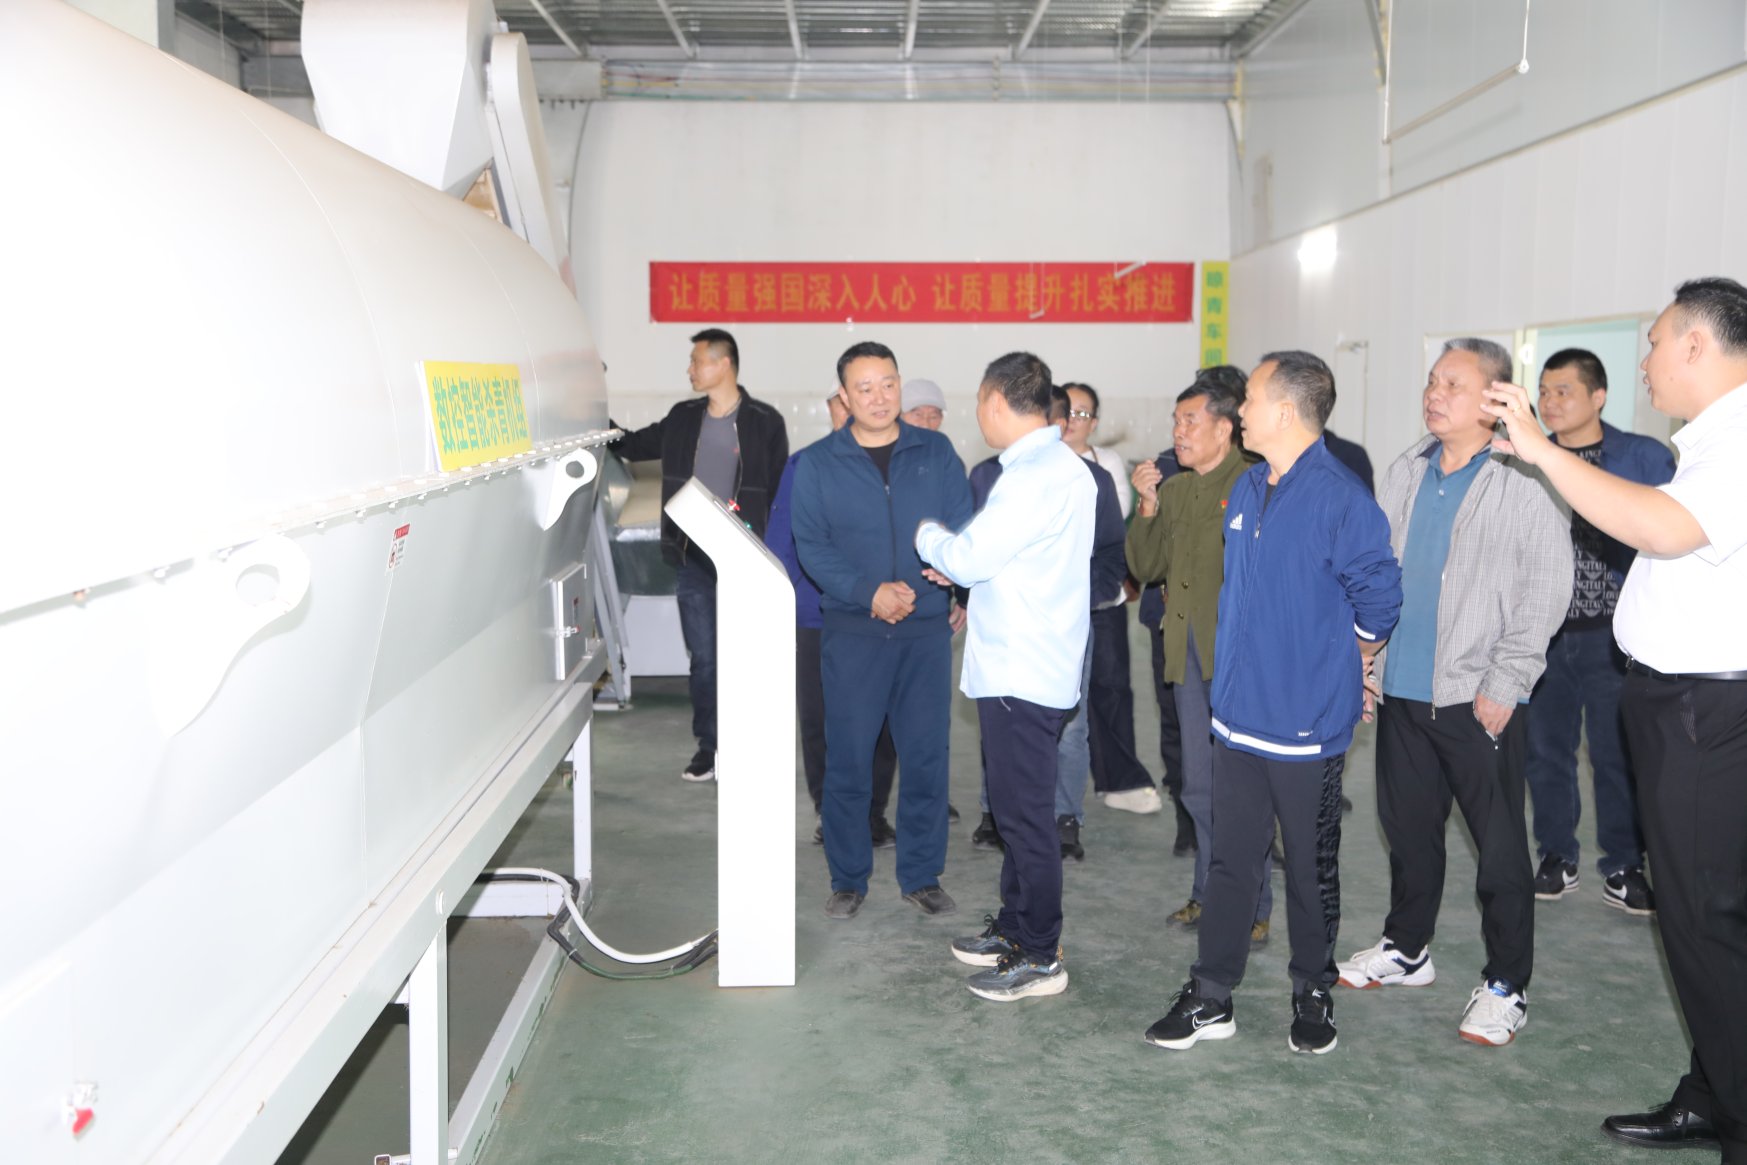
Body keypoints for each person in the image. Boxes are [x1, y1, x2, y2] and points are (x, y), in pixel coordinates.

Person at [1484, 278, 1747, 1164]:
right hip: (1681, 703)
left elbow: (1660, 528)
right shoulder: (1707, 438)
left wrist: (1538, 448)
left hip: (1707, 710)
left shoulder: (1737, 438)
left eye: (1656, 340)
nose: (1645, 360)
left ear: (1698, 345)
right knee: (1699, 917)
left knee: (1706, 921)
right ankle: (1712, 1091)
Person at [1143, 351, 1401, 1056]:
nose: (1241, 410)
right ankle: (1211, 992)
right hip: (1236, 718)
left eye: (1250, 399)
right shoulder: (1249, 485)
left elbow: (1380, 599)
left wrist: (1348, 658)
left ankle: (1311, 988)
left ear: (1285, 411)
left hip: (1304, 728)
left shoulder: (1342, 499)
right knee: (1230, 861)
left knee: (1310, 869)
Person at [1337, 337, 1570, 1048]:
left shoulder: (1524, 478)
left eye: (1453, 385)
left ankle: (1506, 984)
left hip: (1478, 695)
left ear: (1494, 400)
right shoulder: (1406, 468)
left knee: (1498, 852)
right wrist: (1367, 661)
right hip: (1404, 689)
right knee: (1408, 832)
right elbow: (1377, 570)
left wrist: (1508, 680)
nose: (1434, 394)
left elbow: (1545, 588)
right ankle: (1407, 948)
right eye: (1432, 381)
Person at [917, 352, 1094, 1002]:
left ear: (996, 401)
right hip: (1028, 663)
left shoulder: (1034, 476)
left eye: (978, 402)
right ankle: (1016, 926)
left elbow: (971, 555)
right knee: (1017, 812)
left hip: (1023, 671)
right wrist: (963, 562)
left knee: (1025, 820)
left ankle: (1041, 954)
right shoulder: (1055, 468)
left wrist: (929, 537)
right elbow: (1006, 558)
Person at [792, 342, 974, 921]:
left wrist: (943, 589)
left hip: (924, 633)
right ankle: (848, 877)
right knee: (849, 759)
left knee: (926, 757)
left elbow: (959, 526)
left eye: (888, 384)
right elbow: (812, 546)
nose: (879, 397)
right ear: (844, 397)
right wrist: (868, 591)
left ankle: (921, 875)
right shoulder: (818, 463)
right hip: (854, 632)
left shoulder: (935, 451)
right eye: (864, 388)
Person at [1523, 348, 1674, 913]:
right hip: (1545, 634)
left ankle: (1624, 865)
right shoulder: (1526, 459)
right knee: (1546, 752)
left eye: (1564, 390)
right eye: (1544, 391)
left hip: (1616, 638)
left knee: (1616, 753)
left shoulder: (1641, 457)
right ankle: (1556, 857)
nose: (1550, 402)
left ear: (1598, 396)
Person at [1128, 379, 1273, 941]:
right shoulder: (1178, 489)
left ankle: (1252, 907)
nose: (1178, 432)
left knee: (1243, 791)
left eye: (1190, 421)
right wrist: (1146, 505)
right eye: (1175, 421)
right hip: (1187, 655)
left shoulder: (1256, 483)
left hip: (1240, 656)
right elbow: (1146, 568)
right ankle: (1207, 893)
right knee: (1198, 786)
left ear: (1225, 427)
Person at [612, 328, 788, 782]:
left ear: (723, 364)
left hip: (745, 560)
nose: (689, 369)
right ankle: (710, 748)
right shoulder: (683, 418)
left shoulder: (764, 422)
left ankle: (747, 744)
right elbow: (634, 445)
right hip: (694, 558)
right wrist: (593, 422)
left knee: (747, 656)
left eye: (697, 361)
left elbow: (778, 494)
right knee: (705, 658)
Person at [959, 386, 1125, 862]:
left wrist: (1078, 599)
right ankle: (994, 811)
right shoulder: (988, 474)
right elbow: (969, 543)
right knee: (999, 720)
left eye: (1060, 419)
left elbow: (1111, 552)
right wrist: (964, 597)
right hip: (1003, 627)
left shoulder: (1090, 479)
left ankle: (1065, 816)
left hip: (1063, 628)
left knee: (1069, 724)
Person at [766, 389, 900, 848]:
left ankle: (873, 812)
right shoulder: (805, 465)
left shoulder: (895, 463)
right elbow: (781, 543)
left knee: (882, 720)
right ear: (834, 408)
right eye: (848, 401)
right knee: (822, 719)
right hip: (817, 616)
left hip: (882, 615)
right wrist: (794, 602)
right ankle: (831, 811)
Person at [1059, 382, 1159, 814]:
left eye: (1082, 413)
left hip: (1102, 595)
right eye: (1066, 410)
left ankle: (1119, 781)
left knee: (1112, 686)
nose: (1072, 420)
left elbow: (1110, 520)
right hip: (1051, 600)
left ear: (1094, 423)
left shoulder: (1109, 463)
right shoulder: (1035, 461)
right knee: (1058, 695)